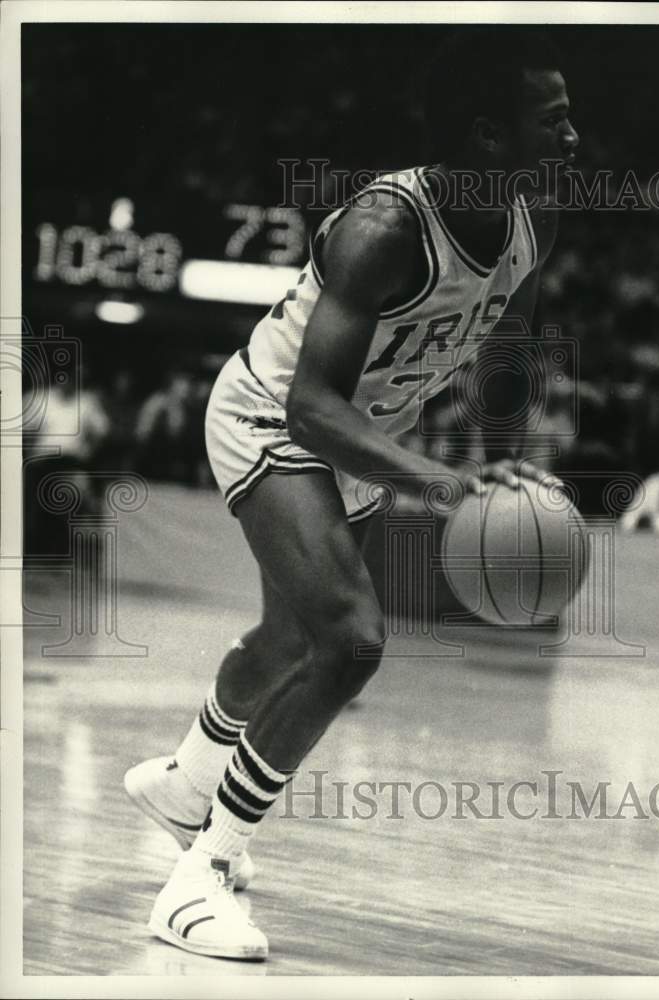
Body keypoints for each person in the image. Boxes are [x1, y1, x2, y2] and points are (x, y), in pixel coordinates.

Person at [124, 28, 579, 960]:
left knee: (290, 639)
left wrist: (502, 464)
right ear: (490, 135)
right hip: (274, 416)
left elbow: (508, 344)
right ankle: (201, 874)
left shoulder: (536, 214)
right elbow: (310, 407)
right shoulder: (384, 228)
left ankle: (185, 785)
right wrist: (442, 483)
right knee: (352, 640)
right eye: (554, 120)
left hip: (360, 433)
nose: (573, 138)